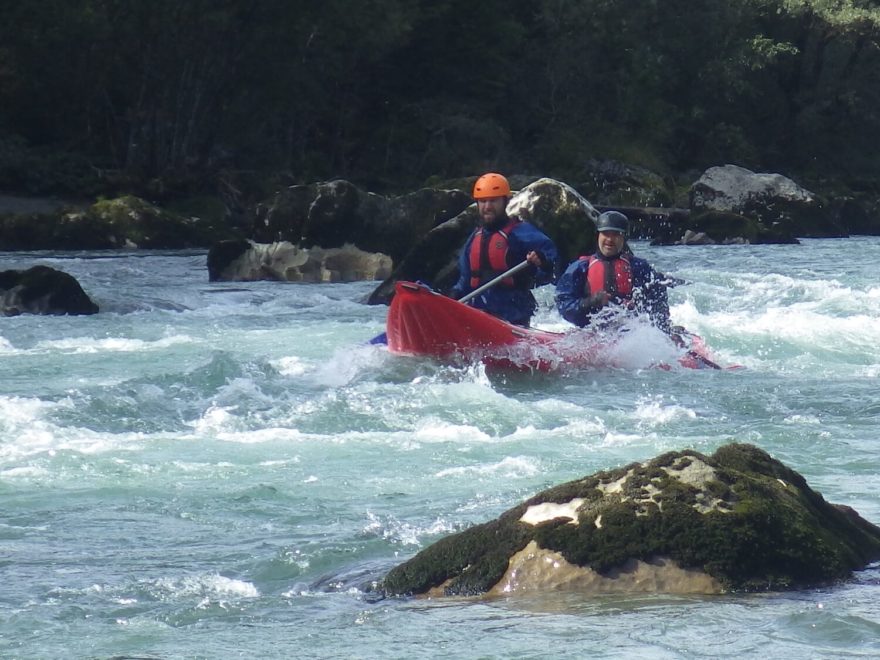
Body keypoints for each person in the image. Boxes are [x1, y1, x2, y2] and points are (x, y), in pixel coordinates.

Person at [449, 172, 559, 327]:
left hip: (513, 316)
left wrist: (542, 261)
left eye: (493, 201)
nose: (487, 207)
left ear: (505, 201)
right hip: (478, 312)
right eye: (483, 201)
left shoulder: (521, 232)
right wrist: (453, 296)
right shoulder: (475, 238)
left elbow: (551, 262)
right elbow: (465, 279)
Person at [555, 210, 673, 334]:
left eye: (616, 234)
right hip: (590, 333)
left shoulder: (638, 267)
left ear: (623, 237)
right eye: (605, 233)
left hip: (629, 334)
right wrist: (589, 302)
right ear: (598, 235)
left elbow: (658, 296)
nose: (610, 239)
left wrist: (663, 329)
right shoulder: (580, 268)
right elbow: (563, 305)